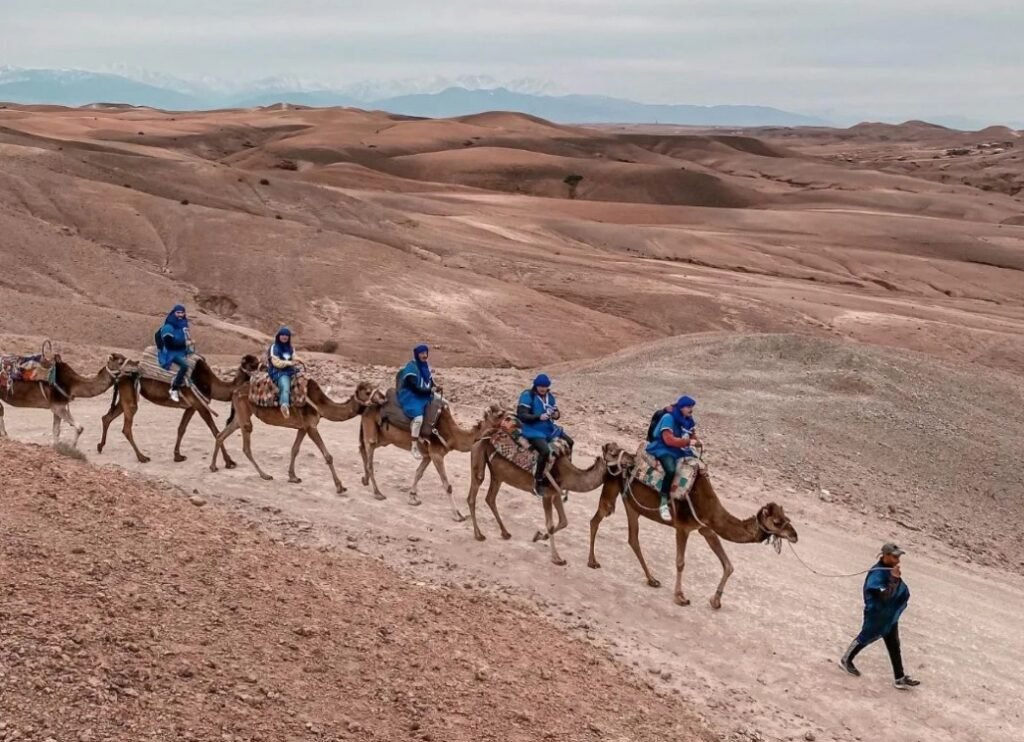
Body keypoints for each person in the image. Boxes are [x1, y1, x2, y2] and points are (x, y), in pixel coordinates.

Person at [840, 543, 921, 690]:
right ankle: (846, 659)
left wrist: (894, 578)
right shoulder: (877, 574)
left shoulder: (888, 570)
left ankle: (899, 678)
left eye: (899, 557)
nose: (898, 560)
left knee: (894, 645)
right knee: (865, 637)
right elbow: (884, 596)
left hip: (889, 615)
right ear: (886, 555)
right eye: (895, 557)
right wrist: (894, 579)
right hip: (877, 615)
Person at [516, 374, 574, 497]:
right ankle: (538, 480)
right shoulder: (528, 396)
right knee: (545, 451)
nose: (543, 389)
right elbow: (522, 415)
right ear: (536, 386)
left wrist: (556, 415)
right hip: (532, 429)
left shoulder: (550, 397)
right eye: (540, 386)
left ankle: (566, 470)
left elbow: (556, 413)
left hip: (548, 428)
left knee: (570, 442)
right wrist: (539, 417)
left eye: (545, 386)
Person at [645, 395, 700, 522]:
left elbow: (692, 435)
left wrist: (696, 441)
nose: (691, 410)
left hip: (679, 449)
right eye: (688, 407)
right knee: (670, 469)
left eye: (692, 407)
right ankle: (663, 501)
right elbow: (668, 440)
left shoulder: (687, 420)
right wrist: (688, 442)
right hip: (663, 448)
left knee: (697, 467)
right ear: (681, 407)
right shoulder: (668, 418)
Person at [397, 344, 439, 460]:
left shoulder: (425, 366)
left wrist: (436, 387)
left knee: (443, 404)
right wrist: (429, 391)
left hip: (424, 393)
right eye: (422, 353)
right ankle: (414, 446)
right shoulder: (411, 367)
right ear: (417, 354)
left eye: (426, 353)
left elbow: (430, 381)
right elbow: (414, 388)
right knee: (418, 419)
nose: (424, 355)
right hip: (411, 396)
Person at [157, 304, 194, 403]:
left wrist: (188, 344)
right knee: (185, 366)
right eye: (178, 313)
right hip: (171, 353)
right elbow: (169, 345)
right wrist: (184, 344)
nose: (180, 315)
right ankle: (174, 389)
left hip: (182, 351)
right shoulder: (168, 327)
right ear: (174, 313)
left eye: (182, 313)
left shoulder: (183, 325)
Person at [268, 326, 300, 417]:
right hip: (278, 371)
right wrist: (289, 363)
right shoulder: (274, 347)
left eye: (287, 335)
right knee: (285, 385)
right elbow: (276, 362)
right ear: (279, 336)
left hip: (290, 370)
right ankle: (284, 405)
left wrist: (299, 359)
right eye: (282, 335)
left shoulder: (291, 348)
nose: (285, 337)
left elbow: (294, 357)